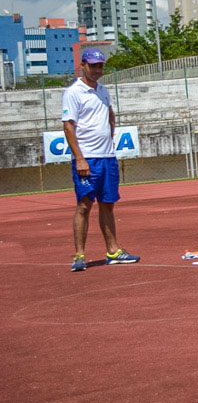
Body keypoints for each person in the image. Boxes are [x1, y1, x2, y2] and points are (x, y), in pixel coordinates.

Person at [62, 48, 140, 272]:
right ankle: (79, 255)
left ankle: (113, 251)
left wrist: (110, 135)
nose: (97, 70)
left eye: (100, 65)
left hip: (107, 157)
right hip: (88, 158)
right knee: (84, 205)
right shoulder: (74, 92)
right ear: (83, 66)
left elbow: (109, 114)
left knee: (108, 204)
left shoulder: (104, 91)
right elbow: (68, 126)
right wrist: (80, 158)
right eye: (93, 65)